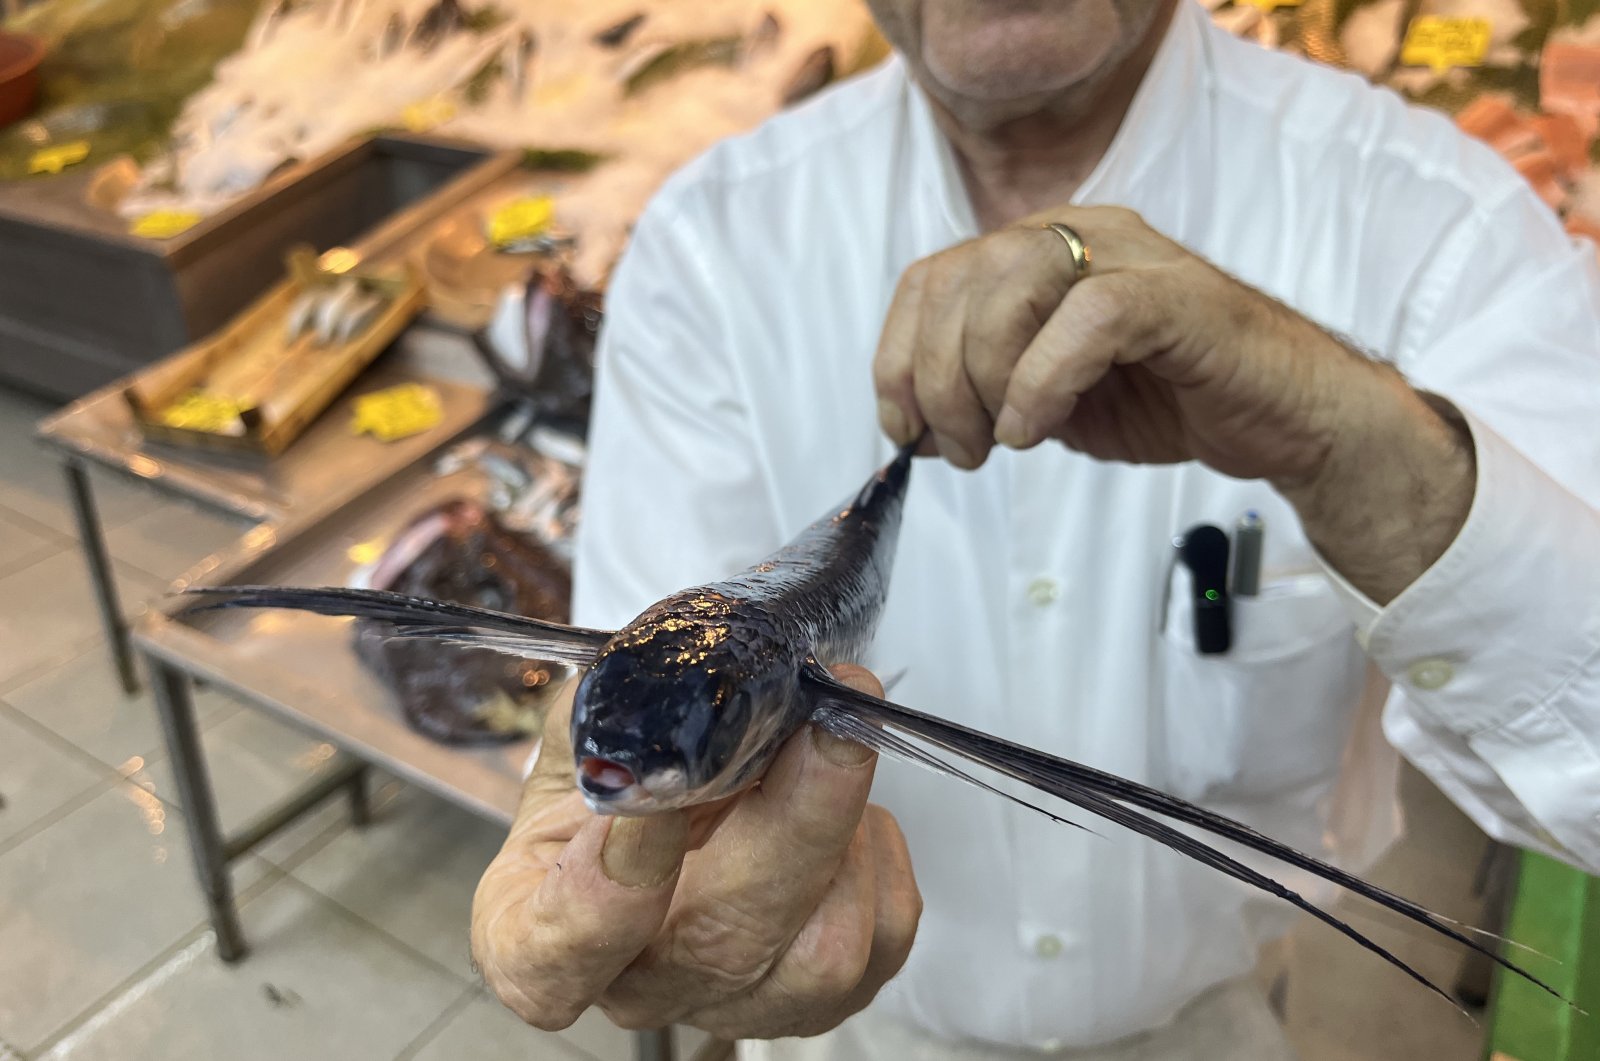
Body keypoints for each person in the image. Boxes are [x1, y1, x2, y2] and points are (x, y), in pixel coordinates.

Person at [471, 0, 1600, 1055]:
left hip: (1215, 1018)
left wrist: (1361, 444)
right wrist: (641, 894)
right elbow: (644, 670)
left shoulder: (1440, 221)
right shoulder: (708, 244)